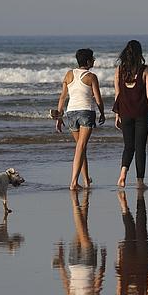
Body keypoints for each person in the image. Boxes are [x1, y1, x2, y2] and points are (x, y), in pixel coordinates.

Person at [55, 48, 105, 190]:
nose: (94, 60)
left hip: (71, 113)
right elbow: (98, 98)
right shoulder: (91, 76)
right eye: (93, 59)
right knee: (81, 147)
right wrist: (102, 113)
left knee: (81, 148)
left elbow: (62, 97)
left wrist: (59, 117)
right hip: (86, 112)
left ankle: (86, 181)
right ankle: (73, 182)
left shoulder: (69, 74)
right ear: (88, 61)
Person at [113, 40, 148, 188]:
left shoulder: (120, 70)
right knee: (140, 148)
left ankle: (122, 174)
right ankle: (140, 182)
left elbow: (118, 94)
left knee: (128, 146)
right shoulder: (145, 70)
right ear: (140, 53)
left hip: (125, 112)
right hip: (141, 113)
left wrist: (117, 114)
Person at [52, 190, 106, 295]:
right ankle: (85, 194)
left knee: (82, 229)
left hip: (88, 263)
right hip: (73, 263)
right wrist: (61, 259)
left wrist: (104, 259)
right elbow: (65, 279)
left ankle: (74, 199)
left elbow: (100, 277)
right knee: (82, 227)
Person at [115, 189, 148, 295]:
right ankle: (125, 205)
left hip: (138, 264)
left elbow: (119, 283)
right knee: (133, 230)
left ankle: (128, 203)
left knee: (139, 226)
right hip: (135, 264)